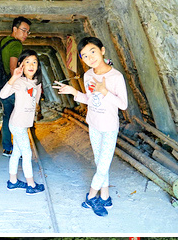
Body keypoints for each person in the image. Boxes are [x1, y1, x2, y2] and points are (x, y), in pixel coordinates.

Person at [55, 36, 128, 216]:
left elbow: (123, 105)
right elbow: (90, 99)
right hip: (93, 124)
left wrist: (105, 91)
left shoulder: (115, 77)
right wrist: (74, 92)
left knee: (103, 166)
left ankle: (90, 197)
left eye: (92, 52)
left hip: (109, 126)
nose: (90, 58)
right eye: (85, 56)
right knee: (99, 163)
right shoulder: (88, 75)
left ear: (102, 51)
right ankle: (105, 197)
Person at [0, 50, 44, 195]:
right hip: (17, 124)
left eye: (34, 62)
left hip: (24, 124)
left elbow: (34, 103)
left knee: (17, 152)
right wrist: (14, 77)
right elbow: (3, 94)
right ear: (21, 65)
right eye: (27, 62)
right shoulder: (19, 81)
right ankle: (31, 184)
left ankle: (13, 181)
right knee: (27, 153)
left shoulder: (36, 83)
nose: (31, 65)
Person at [0, 17, 31, 157]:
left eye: (28, 32)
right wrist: (19, 85)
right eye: (23, 30)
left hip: (1, 84)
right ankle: (20, 149)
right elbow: (13, 67)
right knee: (18, 117)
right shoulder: (16, 45)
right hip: (11, 84)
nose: (25, 34)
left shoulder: (4, 41)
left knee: (7, 116)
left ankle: (7, 148)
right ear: (15, 29)